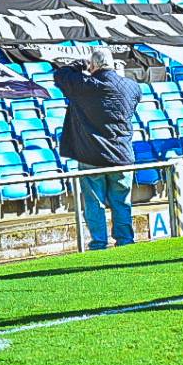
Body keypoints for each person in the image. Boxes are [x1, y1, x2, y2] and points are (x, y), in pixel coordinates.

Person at [53, 48, 142, 251]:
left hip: (91, 156)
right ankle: (125, 242)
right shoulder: (131, 86)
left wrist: (81, 64)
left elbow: (60, 75)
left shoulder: (84, 86)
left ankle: (99, 244)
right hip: (122, 156)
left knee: (94, 204)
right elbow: (135, 98)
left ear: (93, 65)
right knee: (122, 202)